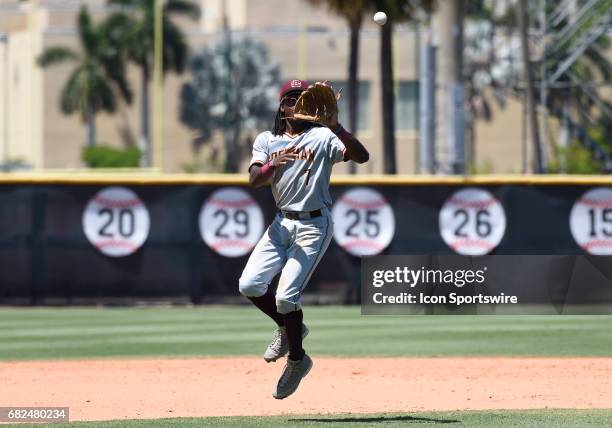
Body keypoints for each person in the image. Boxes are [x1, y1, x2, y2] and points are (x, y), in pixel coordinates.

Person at [238, 79, 369, 399]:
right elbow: (255, 179)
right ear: (282, 106)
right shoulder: (268, 139)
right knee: (250, 285)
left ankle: (297, 360)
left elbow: (361, 156)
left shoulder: (322, 136)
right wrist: (273, 164)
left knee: (285, 297)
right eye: (292, 98)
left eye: (303, 97)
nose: (298, 103)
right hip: (281, 224)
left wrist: (337, 126)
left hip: (314, 226)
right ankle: (287, 328)